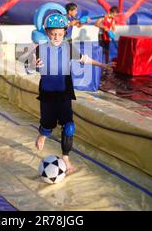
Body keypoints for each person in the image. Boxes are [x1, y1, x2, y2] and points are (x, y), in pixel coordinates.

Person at [26, 13, 112, 173]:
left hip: (65, 92)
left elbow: (85, 59)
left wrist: (103, 65)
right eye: (53, 34)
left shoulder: (67, 48)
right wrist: (33, 64)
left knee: (69, 126)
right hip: (48, 94)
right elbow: (28, 68)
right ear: (47, 33)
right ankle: (43, 134)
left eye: (60, 33)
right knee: (47, 124)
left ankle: (65, 156)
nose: (57, 37)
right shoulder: (41, 49)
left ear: (65, 32)